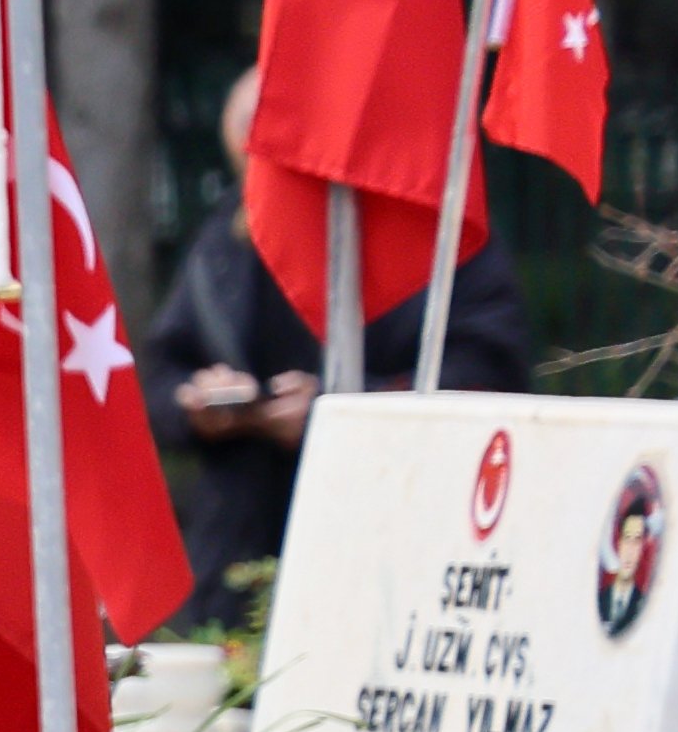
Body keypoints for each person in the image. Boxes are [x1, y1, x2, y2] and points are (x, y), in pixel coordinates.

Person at [146, 67, 529, 623]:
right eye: (249, 167)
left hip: (391, 556)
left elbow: (489, 379)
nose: (263, 187)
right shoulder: (225, 236)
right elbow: (161, 371)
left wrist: (341, 409)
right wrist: (195, 403)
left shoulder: (435, 235)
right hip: (239, 558)